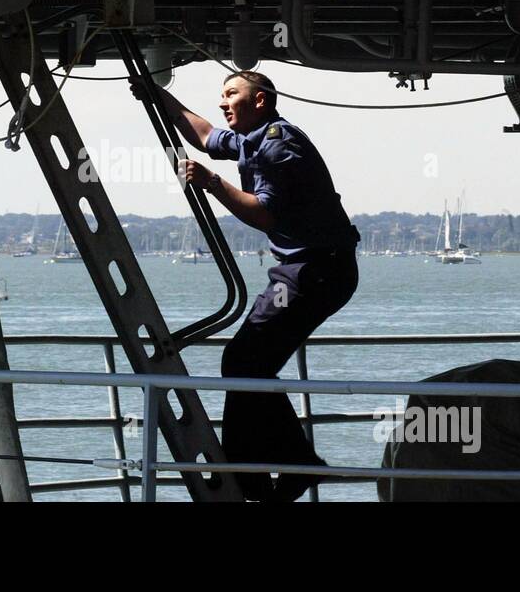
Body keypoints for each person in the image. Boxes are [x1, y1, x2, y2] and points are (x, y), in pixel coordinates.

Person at [136, 70, 361, 501]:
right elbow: (205, 137)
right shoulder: (253, 138)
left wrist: (212, 183)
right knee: (245, 362)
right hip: (307, 269)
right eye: (220, 95)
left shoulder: (277, 145)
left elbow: (263, 215)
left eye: (231, 94)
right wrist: (159, 95)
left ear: (259, 101)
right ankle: (262, 471)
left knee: (244, 361)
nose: (223, 103)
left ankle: (275, 468)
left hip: (317, 270)